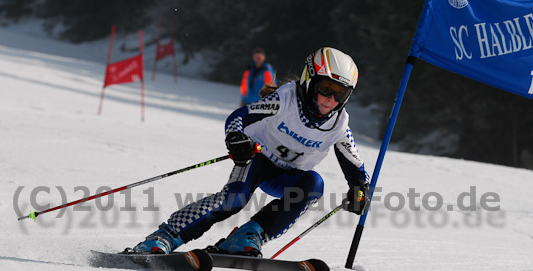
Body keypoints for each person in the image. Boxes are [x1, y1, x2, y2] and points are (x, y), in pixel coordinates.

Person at [126, 47, 370, 257]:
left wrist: (360, 187)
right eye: (326, 88)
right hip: (256, 160)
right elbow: (239, 117)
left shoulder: (338, 123)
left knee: (314, 184)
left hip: (287, 177)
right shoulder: (285, 99)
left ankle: (246, 237)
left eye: (340, 93)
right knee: (234, 199)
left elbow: (354, 162)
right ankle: (166, 236)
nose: (330, 99)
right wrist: (236, 139)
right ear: (309, 80)